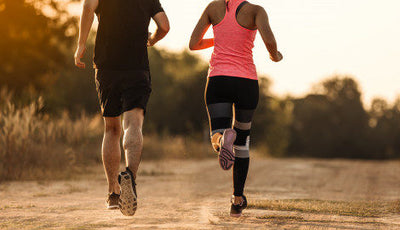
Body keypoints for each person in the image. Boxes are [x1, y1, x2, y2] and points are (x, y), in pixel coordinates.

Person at [74, 0, 169, 216]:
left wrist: (81, 44)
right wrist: (152, 39)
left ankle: (113, 194)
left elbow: (88, 6)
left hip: (107, 66)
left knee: (111, 130)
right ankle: (130, 178)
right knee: (133, 124)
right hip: (137, 67)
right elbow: (164, 26)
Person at [189, 0, 283, 217]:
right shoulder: (256, 11)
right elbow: (269, 39)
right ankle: (237, 199)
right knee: (243, 142)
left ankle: (222, 140)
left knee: (217, 134)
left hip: (218, 80)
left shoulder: (213, 8)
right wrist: (274, 55)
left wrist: (220, 38)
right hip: (246, 82)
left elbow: (194, 44)